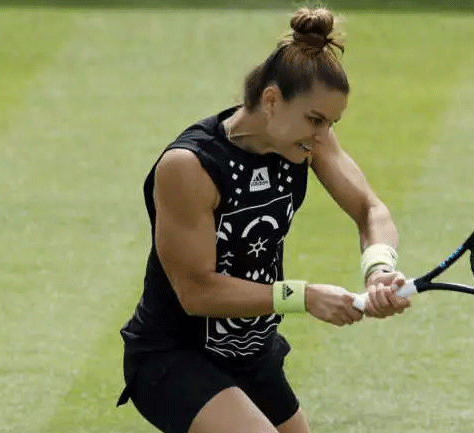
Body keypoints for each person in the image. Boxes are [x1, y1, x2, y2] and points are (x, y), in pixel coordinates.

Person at [117, 6, 411, 433]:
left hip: (249, 353)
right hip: (173, 357)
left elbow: (370, 209)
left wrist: (379, 269)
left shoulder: (307, 142)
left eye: (330, 123)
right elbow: (196, 291)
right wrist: (304, 296)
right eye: (315, 120)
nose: (322, 135)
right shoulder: (190, 166)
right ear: (271, 101)